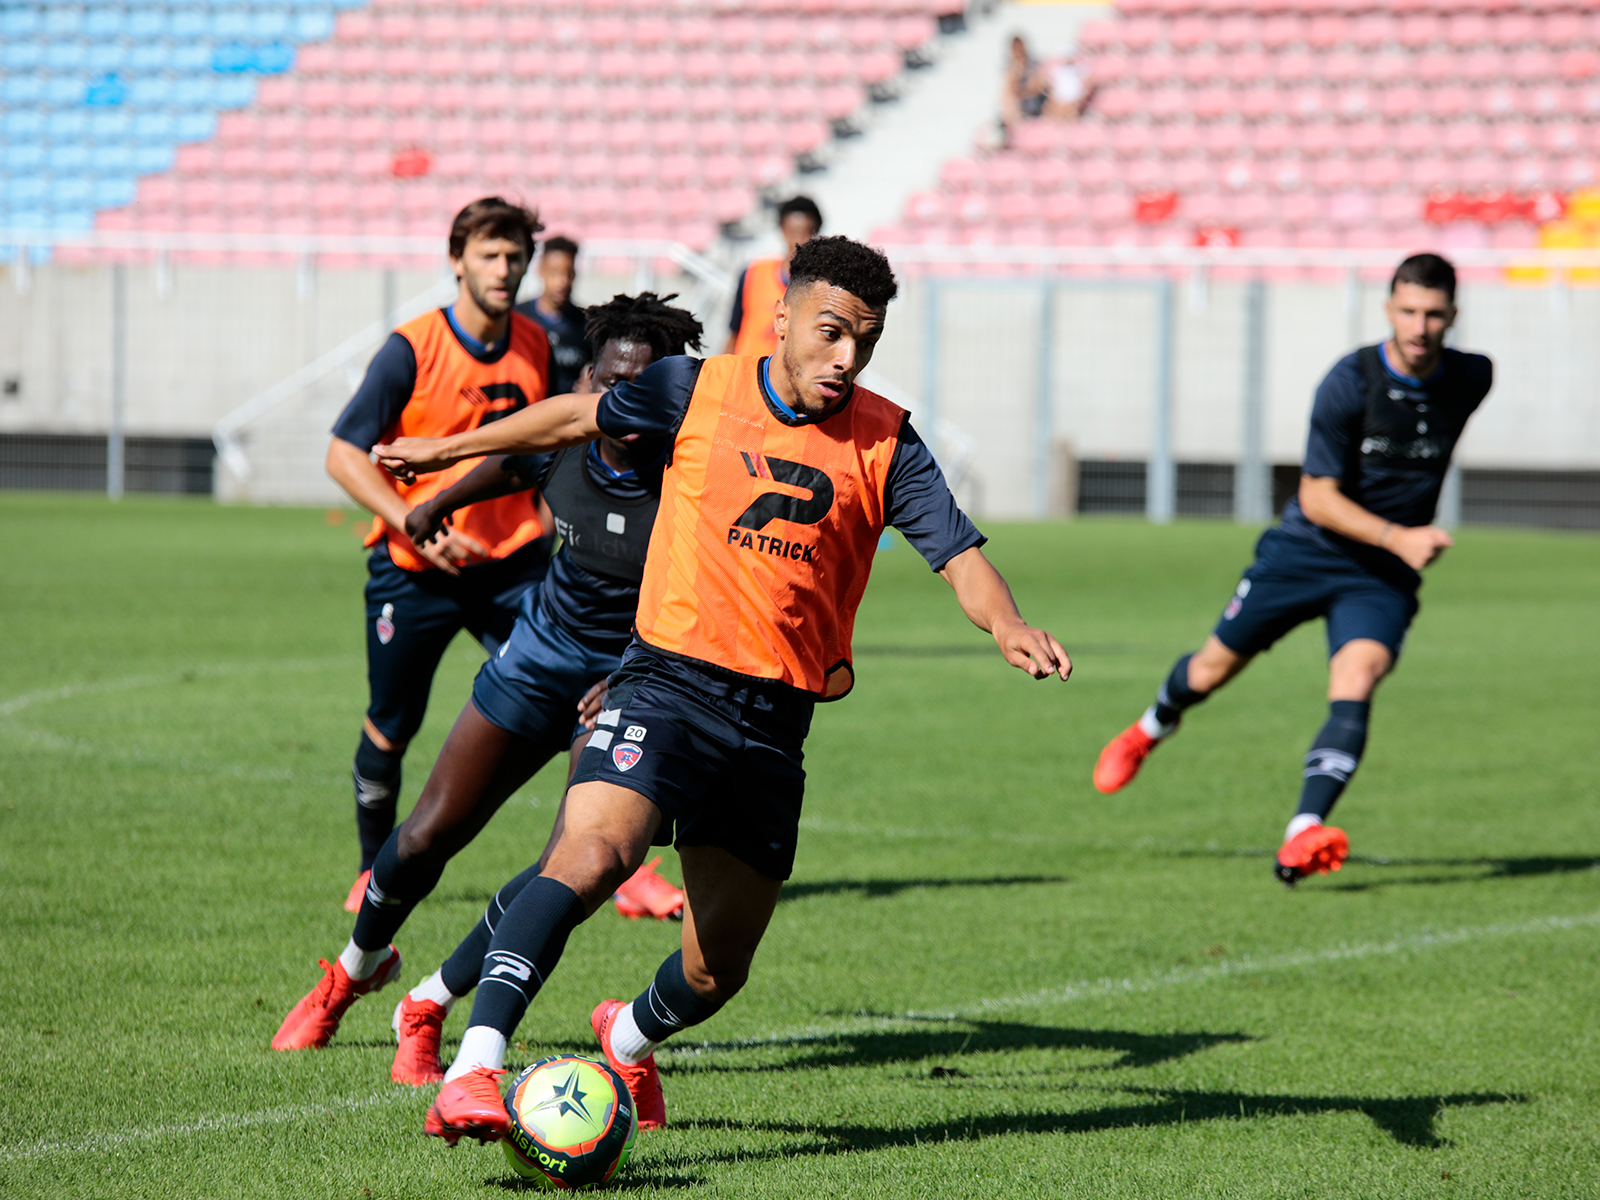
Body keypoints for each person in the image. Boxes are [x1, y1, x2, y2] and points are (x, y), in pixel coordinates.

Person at [374, 235, 1073, 1143]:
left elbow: (960, 557)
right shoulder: (695, 388)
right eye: (830, 333)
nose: (846, 358)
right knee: (589, 860)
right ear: (781, 318)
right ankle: (474, 1069)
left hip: (776, 723)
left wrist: (1008, 624)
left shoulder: (889, 440)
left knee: (715, 975)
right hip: (667, 682)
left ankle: (625, 1037)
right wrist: (446, 450)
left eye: (866, 340)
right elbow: (570, 419)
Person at [271, 295, 706, 1084]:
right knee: (425, 837)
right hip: (537, 655)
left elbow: (710, 602)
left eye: (645, 392)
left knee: (561, 874)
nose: (625, 410)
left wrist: (632, 674)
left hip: (628, 682)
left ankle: (429, 1004)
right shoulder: (568, 434)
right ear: (588, 382)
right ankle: (355, 968)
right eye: (612, 387)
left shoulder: (693, 475)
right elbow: (513, 461)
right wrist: (437, 499)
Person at [1093, 254, 1493, 886]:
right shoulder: (1349, 381)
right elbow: (1317, 497)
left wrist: (1397, 543)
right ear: (1388, 309)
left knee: (1357, 678)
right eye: (1409, 311)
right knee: (1210, 669)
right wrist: (1400, 535)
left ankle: (1302, 832)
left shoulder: (1472, 377)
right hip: (1307, 551)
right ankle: (1150, 728)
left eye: (1434, 314)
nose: (1420, 326)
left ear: (1454, 317)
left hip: (1379, 574)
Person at [325, 197, 554, 914]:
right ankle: (371, 867)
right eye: (490, 254)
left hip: (510, 564)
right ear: (457, 260)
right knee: (390, 727)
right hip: (413, 570)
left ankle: (607, 860)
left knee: (577, 699)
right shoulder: (411, 348)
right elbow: (342, 454)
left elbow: (537, 450)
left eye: (515, 256)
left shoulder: (537, 343)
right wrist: (412, 523)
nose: (505, 268)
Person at [722, 196, 822, 357]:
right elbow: (734, 331)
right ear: (782, 230)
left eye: (805, 233)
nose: (799, 240)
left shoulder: (823, 285)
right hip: (746, 371)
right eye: (793, 232)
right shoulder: (752, 273)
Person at [515, 235, 592, 396]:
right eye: (554, 273)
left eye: (568, 273)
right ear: (541, 271)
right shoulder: (517, 318)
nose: (562, 281)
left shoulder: (588, 325)